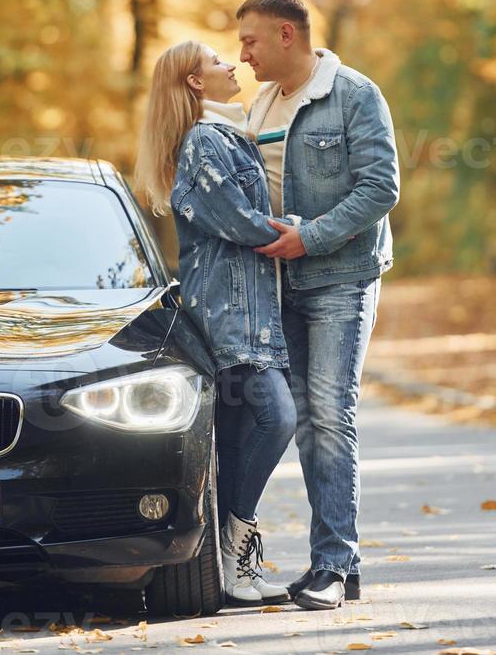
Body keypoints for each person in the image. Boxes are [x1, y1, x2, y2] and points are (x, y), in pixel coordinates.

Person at [236, 0, 400, 611]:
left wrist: (313, 237)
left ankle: (334, 564)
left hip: (341, 278)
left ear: (286, 34)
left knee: (331, 416)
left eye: (251, 39)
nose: (242, 52)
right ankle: (336, 563)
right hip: (281, 285)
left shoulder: (354, 94)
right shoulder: (261, 102)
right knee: (305, 424)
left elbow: (380, 188)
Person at [134, 40, 298, 607]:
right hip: (231, 317)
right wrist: (300, 230)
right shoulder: (205, 140)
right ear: (197, 84)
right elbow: (236, 220)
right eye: (216, 62)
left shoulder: (225, 135)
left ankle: (228, 567)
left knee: (232, 439)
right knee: (277, 418)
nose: (232, 64)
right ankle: (237, 544)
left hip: (245, 311)